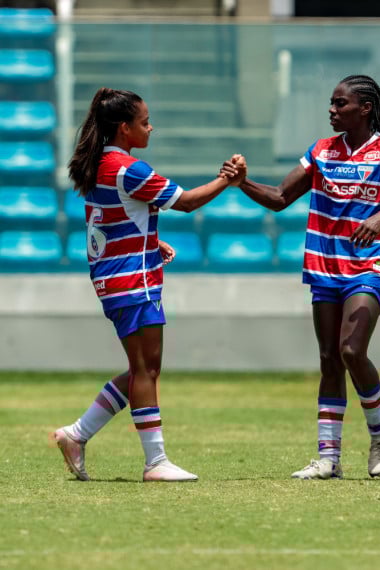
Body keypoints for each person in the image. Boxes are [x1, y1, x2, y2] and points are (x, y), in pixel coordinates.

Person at [236, 74, 380, 480]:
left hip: (368, 265)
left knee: (350, 350)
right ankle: (328, 458)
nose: (331, 110)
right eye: (331, 103)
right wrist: (241, 183)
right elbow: (279, 198)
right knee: (329, 359)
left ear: (365, 108)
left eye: (340, 104)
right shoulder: (321, 151)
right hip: (324, 265)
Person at [52, 87, 246, 482]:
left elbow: (109, 218)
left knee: (141, 368)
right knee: (146, 370)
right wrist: (227, 179)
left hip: (112, 277)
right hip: (131, 280)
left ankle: (77, 434)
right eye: (144, 122)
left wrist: (151, 240)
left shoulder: (99, 164)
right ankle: (155, 462)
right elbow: (188, 202)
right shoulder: (129, 169)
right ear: (124, 129)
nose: (150, 127)